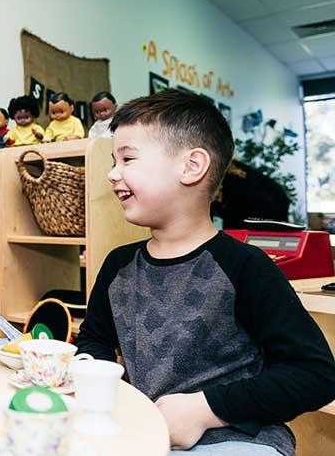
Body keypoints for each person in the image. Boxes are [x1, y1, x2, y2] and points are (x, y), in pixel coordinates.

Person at [75, 89, 335, 456]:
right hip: (143, 434)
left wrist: (206, 409)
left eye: (127, 159)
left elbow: (315, 375)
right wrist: (89, 374)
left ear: (192, 166)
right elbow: (94, 340)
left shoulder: (246, 267)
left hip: (235, 440)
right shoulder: (118, 265)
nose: (112, 174)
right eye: (113, 161)